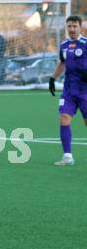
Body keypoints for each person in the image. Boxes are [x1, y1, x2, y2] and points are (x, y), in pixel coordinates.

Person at [49, 15, 87, 166]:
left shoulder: (86, 43)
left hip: (85, 90)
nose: (71, 29)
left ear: (80, 27)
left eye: (74, 26)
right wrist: (52, 78)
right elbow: (62, 62)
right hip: (69, 90)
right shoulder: (64, 44)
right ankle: (67, 156)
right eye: (69, 26)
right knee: (64, 118)